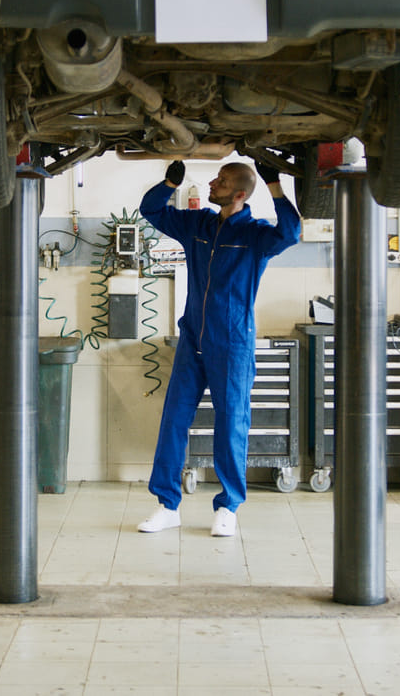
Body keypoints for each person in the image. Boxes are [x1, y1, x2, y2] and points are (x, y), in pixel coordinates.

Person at [137, 159, 300, 537]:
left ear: (240, 194)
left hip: (232, 343)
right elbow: (151, 210)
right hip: (192, 337)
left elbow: (291, 233)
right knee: (174, 420)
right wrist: (168, 183)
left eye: (222, 180)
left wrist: (275, 184)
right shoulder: (198, 225)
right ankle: (167, 505)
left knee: (231, 424)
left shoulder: (256, 235)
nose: (213, 182)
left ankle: (228, 506)